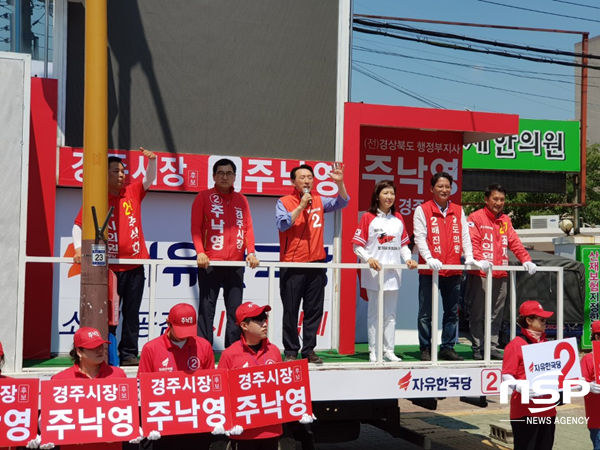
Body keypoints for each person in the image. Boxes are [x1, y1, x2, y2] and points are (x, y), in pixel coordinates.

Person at [72, 148, 157, 366]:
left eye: (123, 171)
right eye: (115, 171)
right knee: (108, 315)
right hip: (109, 269)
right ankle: (106, 354)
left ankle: (128, 354)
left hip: (135, 266)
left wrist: (152, 161)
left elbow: (149, 179)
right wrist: (77, 249)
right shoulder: (97, 197)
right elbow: (79, 225)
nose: (121, 175)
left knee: (131, 313)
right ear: (104, 174)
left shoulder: (133, 191)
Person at [276, 163, 349, 364]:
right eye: (302, 177)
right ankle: (291, 350)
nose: (307, 180)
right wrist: (300, 206)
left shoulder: (319, 200)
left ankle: (309, 349)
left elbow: (342, 202)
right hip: (293, 264)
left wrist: (340, 182)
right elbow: (282, 224)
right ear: (293, 181)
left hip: (316, 263)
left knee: (314, 309)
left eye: (310, 177)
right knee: (291, 310)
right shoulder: (284, 202)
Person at [413, 172, 484, 362]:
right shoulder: (423, 210)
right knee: (425, 313)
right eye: (440, 186)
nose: (444, 190)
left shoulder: (458, 210)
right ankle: (426, 348)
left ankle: (447, 348)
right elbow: (419, 237)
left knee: (452, 313)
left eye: (447, 187)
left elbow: (465, 236)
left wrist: (469, 256)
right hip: (430, 270)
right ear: (432, 189)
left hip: (453, 269)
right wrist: (428, 258)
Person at [191, 158, 259, 348]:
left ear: (235, 177)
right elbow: (196, 227)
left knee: (235, 312)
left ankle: (233, 352)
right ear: (213, 176)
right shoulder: (203, 197)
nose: (224, 177)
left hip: (235, 264)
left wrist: (251, 252)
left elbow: (248, 228)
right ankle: (204, 353)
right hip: (210, 263)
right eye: (220, 173)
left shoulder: (241, 199)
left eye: (229, 173)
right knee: (206, 309)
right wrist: (200, 252)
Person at [466, 184, 536, 361]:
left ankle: (491, 346)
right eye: (495, 199)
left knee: (496, 314)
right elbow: (472, 242)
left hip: (501, 274)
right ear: (486, 199)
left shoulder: (505, 220)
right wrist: (479, 260)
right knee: (478, 314)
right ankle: (478, 347)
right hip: (481, 274)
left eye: (502, 199)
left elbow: (515, 242)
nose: (499, 202)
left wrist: (526, 259)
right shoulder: (475, 217)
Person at [351, 180, 418, 362]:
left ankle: (389, 350)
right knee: (374, 313)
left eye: (392, 193)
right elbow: (357, 246)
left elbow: (404, 245)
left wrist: (409, 259)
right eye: (385, 193)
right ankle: (374, 350)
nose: (389, 197)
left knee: (390, 314)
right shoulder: (368, 218)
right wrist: (369, 259)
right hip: (374, 274)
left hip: (394, 274)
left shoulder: (398, 220)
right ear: (377, 196)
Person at [138, 303, 214, 450]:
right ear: (168, 324)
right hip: (164, 421)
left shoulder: (203, 346)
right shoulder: (151, 349)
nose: (185, 335)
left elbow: (210, 385)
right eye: (180, 330)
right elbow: (142, 388)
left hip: (195, 421)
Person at [218, 302, 283, 449]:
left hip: (271, 430)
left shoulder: (274, 351)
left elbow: (283, 387)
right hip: (243, 431)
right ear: (244, 326)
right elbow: (220, 393)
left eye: (264, 318)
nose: (264, 323)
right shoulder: (230, 354)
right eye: (258, 320)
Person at [51, 327, 128, 450]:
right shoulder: (60, 380)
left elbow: (128, 409)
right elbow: (49, 415)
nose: (100, 350)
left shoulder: (118, 375)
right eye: (93, 347)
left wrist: (135, 426)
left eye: (101, 346)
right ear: (79, 352)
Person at [501, 300, 556, 450]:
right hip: (524, 411)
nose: (545, 322)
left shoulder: (547, 344)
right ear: (529, 320)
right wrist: (519, 386)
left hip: (548, 409)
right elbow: (506, 374)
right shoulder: (515, 345)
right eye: (542, 319)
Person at [581, 320, 600, 450]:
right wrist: (589, 386)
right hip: (597, 418)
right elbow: (579, 383)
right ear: (597, 337)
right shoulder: (588, 359)